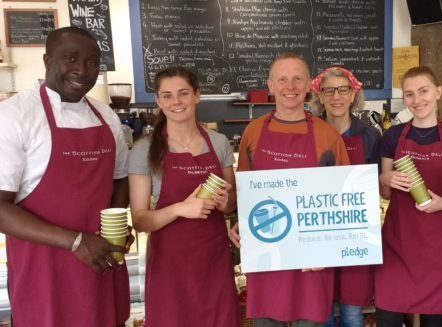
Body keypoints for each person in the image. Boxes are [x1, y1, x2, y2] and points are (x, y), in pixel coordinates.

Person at [0, 26, 131, 326]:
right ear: (47, 61)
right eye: (70, 58)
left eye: (92, 62)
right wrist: (75, 242)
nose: (82, 70)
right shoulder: (13, 116)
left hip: (102, 264)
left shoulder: (107, 116)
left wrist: (116, 224)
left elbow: (120, 179)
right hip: (43, 273)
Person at [229, 53, 350, 327]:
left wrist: (330, 250)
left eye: (298, 79)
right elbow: (246, 191)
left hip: (312, 260)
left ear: (309, 85)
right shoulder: (253, 131)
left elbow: (344, 200)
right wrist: (241, 221)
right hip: (266, 255)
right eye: (282, 79)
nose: (290, 86)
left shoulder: (327, 135)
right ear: (270, 86)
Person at [128, 66, 240, 326]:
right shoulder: (144, 150)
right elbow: (140, 221)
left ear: (197, 96)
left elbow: (231, 203)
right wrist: (180, 208)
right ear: (158, 101)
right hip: (170, 267)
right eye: (167, 95)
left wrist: (227, 203)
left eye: (183, 93)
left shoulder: (219, 142)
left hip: (214, 262)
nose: (176, 102)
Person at [374, 66, 442, 327]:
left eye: (423, 91)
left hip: (437, 247)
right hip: (398, 241)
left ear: (438, 91)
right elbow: (385, 192)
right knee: (387, 317)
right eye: (409, 94)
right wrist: (384, 179)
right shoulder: (392, 136)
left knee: (433, 321)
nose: (417, 100)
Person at [309, 67, 381, 327]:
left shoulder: (369, 135)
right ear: (320, 96)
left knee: (352, 313)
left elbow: (377, 184)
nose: (336, 96)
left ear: (353, 95)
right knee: (324, 310)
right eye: (329, 90)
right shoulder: (310, 132)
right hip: (318, 232)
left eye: (343, 89)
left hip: (356, 232)